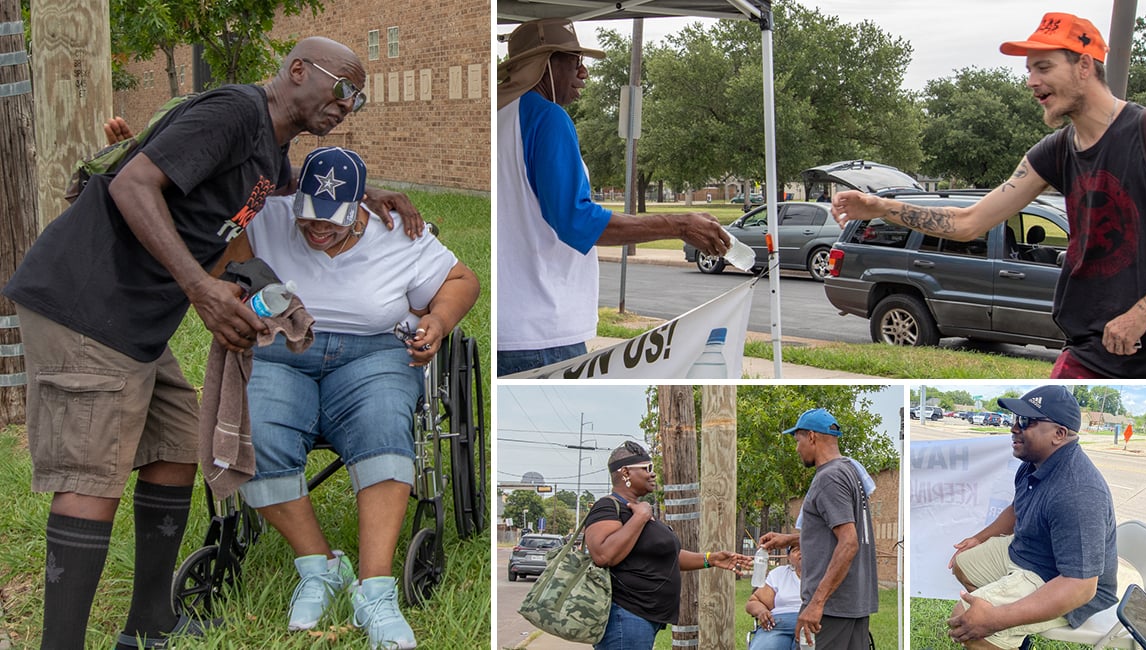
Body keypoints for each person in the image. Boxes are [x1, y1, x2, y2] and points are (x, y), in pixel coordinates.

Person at [2, 37, 414, 650]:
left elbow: (280, 179)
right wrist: (199, 287)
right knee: (92, 477)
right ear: (298, 71)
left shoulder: (269, 148)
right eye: (343, 87)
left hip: (136, 322)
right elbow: (132, 186)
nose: (348, 104)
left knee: (173, 446)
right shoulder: (232, 113)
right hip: (87, 305)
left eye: (358, 97)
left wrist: (362, 192)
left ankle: (148, 624)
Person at [232, 146, 478, 650]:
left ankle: (375, 590)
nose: (317, 231)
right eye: (310, 219)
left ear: (360, 208)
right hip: (282, 351)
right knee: (254, 432)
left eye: (333, 223)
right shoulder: (269, 216)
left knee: (385, 423)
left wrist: (439, 319)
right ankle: (319, 567)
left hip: (373, 355)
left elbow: (461, 279)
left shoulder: (398, 232)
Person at [830, 12, 1146, 379]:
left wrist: (1141, 311)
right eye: (1029, 70)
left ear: (1083, 65)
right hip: (1090, 349)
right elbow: (969, 222)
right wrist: (879, 206)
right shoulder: (1053, 152)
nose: (1032, 82)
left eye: (1043, 68)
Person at [495, 18, 732, 376]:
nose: (584, 73)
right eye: (575, 61)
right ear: (547, 63)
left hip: (507, 327)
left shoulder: (499, 116)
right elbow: (576, 221)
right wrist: (679, 224)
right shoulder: (548, 118)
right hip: (542, 333)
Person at [944, 385, 1117, 649]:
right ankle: (1014, 639)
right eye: (1015, 419)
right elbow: (1017, 508)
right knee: (963, 564)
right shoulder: (1033, 464)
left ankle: (999, 632)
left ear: (1059, 434)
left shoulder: (1078, 491)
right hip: (1028, 553)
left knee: (966, 620)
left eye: (1026, 421)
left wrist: (996, 619)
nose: (1014, 427)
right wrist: (979, 538)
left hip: (1064, 580)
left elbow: (1082, 586)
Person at [583, 441, 751, 649]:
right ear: (625, 472)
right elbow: (603, 555)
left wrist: (710, 559)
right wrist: (641, 516)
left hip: (646, 617)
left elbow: (669, 556)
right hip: (625, 615)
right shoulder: (608, 507)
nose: (652, 474)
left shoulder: (640, 511)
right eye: (647, 469)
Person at [759, 408, 878, 650]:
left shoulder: (829, 478)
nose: (796, 449)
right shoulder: (850, 471)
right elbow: (835, 535)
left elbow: (849, 542)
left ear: (812, 436)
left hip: (831, 609)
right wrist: (791, 539)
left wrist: (816, 603)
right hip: (853, 603)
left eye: (798, 440)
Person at [746, 545, 805, 650]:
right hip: (778, 624)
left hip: (812, 623)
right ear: (788, 557)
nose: (801, 552)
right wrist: (761, 611)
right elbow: (754, 602)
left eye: (806, 547)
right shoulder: (779, 574)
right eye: (796, 550)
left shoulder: (825, 572)